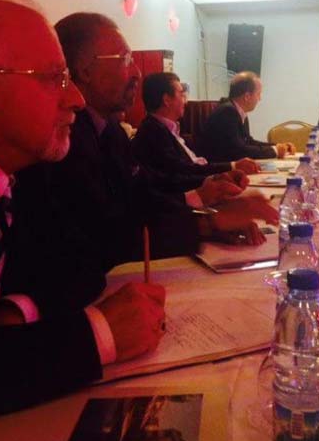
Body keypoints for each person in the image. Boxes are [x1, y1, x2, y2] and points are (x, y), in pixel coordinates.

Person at [0, 0, 166, 425]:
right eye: (54, 78)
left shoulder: (14, 175)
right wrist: (100, 334)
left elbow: (79, 265)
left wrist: (15, 309)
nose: (75, 99)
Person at [50, 13, 278, 269]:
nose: (137, 72)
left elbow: (143, 194)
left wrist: (208, 214)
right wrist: (208, 223)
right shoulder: (65, 138)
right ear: (84, 70)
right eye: (125, 60)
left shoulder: (109, 129)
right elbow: (106, 234)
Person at [132, 71, 260, 190]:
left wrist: (227, 171)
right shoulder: (153, 132)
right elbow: (181, 172)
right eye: (181, 94)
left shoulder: (166, 128)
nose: (186, 101)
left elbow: (191, 166)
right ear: (166, 100)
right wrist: (229, 169)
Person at [200, 71, 296, 162]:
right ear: (247, 96)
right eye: (258, 94)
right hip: (218, 169)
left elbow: (248, 142)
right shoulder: (227, 112)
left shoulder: (237, 111)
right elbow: (238, 151)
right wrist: (274, 150)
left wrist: (279, 146)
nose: (260, 99)